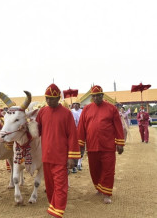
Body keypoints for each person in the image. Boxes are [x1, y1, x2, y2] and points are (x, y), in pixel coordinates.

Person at [35, 83, 80, 218]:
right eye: (47, 98)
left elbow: (73, 135)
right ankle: (53, 206)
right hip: (46, 157)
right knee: (50, 187)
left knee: (60, 186)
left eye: (52, 98)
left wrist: (71, 157)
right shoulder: (42, 111)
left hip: (61, 157)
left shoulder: (67, 113)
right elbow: (37, 130)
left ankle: (57, 213)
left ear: (58, 99)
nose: (49, 101)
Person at [78, 85, 125, 204]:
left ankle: (107, 193)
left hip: (108, 146)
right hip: (92, 146)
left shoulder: (111, 108)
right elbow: (81, 128)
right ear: (91, 97)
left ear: (102, 96)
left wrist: (120, 143)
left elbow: (118, 126)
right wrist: (80, 144)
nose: (96, 98)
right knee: (95, 170)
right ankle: (99, 187)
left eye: (98, 95)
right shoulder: (86, 109)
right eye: (94, 96)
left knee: (109, 170)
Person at [71, 101, 83, 172]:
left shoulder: (81, 111)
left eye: (76, 104)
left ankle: (79, 163)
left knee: (80, 148)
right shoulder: (70, 111)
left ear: (79, 105)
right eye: (74, 104)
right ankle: (73, 166)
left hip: (79, 132)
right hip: (70, 133)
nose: (75, 105)